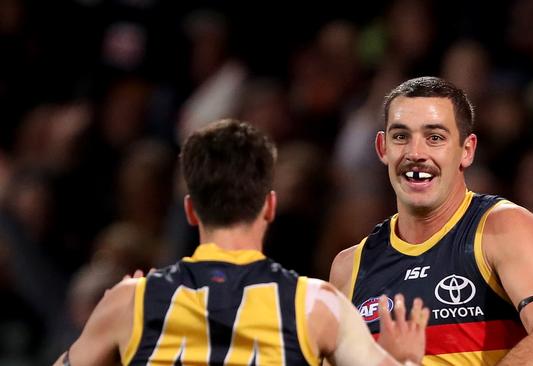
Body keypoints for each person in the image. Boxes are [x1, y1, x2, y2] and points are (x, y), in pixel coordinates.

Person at [53, 119, 430, 366]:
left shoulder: (130, 301)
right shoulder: (316, 305)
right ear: (269, 206)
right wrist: (406, 360)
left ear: (190, 210)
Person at [329, 77, 533, 365]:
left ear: (467, 150)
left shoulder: (503, 228)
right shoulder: (350, 268)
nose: (416, 153)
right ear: (382, 148)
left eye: (435, 138)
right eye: (401, 136)